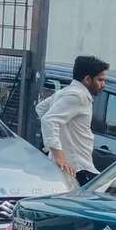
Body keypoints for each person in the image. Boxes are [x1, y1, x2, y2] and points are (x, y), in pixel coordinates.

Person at [37, 55, 109, 187]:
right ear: (87, 79)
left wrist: (61, 136)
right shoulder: (77, 96)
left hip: (76, 165)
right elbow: (49, 120)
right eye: (100, 80)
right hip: (76, 168)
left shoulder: (67, 92)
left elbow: (41, 108)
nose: (103, 85)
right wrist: (59, 156)